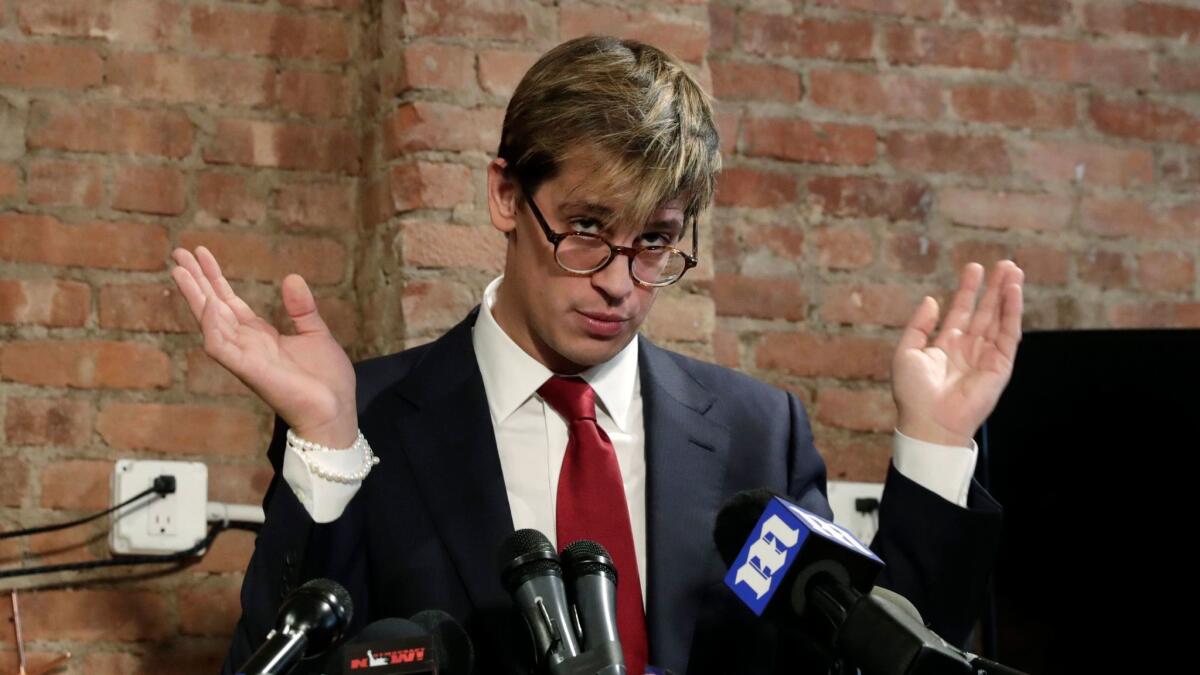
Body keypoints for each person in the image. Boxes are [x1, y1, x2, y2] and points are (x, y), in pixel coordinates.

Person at [170, 36, 1024, 674]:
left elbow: (881, 658)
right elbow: (278, 656)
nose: (620, 282)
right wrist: (323, 434)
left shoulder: (757, 431)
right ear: (507, 194)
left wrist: (937, 449)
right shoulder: (369, 422)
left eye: (655, 241)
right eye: (586, 228)